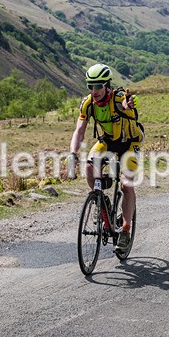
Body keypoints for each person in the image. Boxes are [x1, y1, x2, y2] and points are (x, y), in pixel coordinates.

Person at [70, 64, 143, 254]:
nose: (94, 91)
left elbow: (130, 106)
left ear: (108, 85)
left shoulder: (119, 99)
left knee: (126, 184)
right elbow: (79, 131)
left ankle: (125, 231)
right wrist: (72, 154)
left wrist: (129, 105)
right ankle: (103, 201)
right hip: (108, 141)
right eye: (90, 86)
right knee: (89, 167)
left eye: (98, 86)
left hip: (129, 143)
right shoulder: (88, 103)